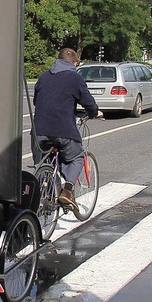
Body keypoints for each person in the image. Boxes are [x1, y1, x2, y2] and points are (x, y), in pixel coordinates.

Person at [32, 48, 102, 210]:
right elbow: (88, 102)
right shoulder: (75, 78)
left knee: (42, 162)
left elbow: (37, 101)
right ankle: (67, 191)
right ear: (75, 63)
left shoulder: (44, 76)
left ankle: (45, 190)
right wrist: (94, 112)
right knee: (76, 156)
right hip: (63, 131)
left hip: (38, 132)